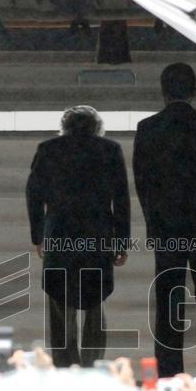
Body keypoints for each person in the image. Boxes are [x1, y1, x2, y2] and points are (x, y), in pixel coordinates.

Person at [133, 63, 196, 376]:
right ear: (194, 90)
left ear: (163, 92)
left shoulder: (148, 128)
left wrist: (152, 223)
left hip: (167, 230)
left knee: (168, 303)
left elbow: (142, 181)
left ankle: (169, 374)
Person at [26, 106, 130, 367]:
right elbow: (121, 199)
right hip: (98, 236)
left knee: (60, 305)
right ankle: (93, 366)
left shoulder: (48, 149)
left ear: (64, 126)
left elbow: (33, 195)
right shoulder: (110, 150)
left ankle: (64, 367)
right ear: (97, 127)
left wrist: (38, 236)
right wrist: (121, 241)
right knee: (95, 305)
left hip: (59, 235)